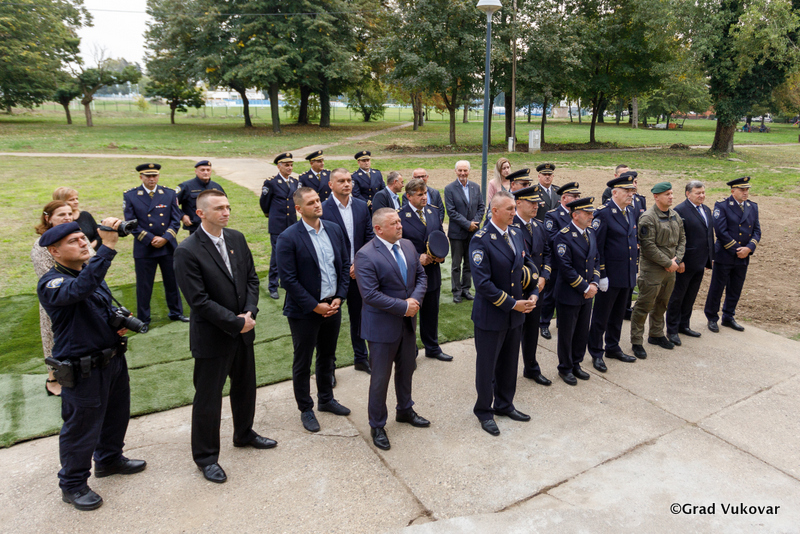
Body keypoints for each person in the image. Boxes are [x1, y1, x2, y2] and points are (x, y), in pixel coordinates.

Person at [38, 220, 146, 511]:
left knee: (116, 415)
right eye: (73, 241)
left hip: (111, 359)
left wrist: (116, 323)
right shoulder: (52, 283)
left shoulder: (87, 271)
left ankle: (109, 460)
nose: (83, 242)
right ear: (54, 251)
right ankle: (72, 485)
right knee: (81, 428)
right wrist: (108, 246)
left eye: (82, 238)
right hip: (82, 369)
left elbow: (100, 304)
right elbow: (79, 291)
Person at [174, 190, 277, 484]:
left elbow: (252, 279)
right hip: (213, 337)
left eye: (228, 207)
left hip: (243, 330)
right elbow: (198, 300)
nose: (226, 212)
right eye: (219, 208)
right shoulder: (187, 250)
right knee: (208, 399)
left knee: (245, 387)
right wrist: (235, 322)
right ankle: (206, 457)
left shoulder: (237, 238)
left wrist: (249, 312)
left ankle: (244, 433)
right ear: (200, 213)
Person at [277, 187, 352, 432]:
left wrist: (340, 296)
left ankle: (326, 399)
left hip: (332, 306)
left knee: (327, 356)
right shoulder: (288, 237)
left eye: (318, 200)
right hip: (304, 312)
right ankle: (306, 409)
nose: (317, 205)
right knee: (303, 361)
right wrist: (314, 306)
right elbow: (288, 280)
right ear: (299, 209)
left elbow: (344, 266)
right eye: (311, 203)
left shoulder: (334, 229)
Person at [355, 208, 430, 451]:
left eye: (399, 221)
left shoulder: (407, 245)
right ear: (378, 229)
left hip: (407, 324)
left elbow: (421, 276)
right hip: (381, 329)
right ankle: (377, 425)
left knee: (407, 369)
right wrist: (403, 307)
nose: (400, 226)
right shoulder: (366, 255)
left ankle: (405, 410)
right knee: (380, 378)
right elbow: (370, 294)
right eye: (394, 223)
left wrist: (414, 301)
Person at [469, 191, 538, 435]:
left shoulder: (516, 233)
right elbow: (483, 284)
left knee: (509, 364)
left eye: (514, 208)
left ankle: (505, 404)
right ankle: (484, 411)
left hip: (515, 314)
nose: (513, 213)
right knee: (487, 367)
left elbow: (528, 266)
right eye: (509, 209)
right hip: (492, 315)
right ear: (495, 211)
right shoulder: (481, 240)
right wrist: (512, 304)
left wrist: (533, 292)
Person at [32, 201, 89, 397]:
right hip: (57, 299)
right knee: (53, 339)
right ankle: (53, 379)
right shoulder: (42, 245)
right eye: (61, 214)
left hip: (84, 296)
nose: (67, 217)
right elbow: (48, 278)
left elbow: (92, 261)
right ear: (48, 218)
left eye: (69, 213)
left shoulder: (79, 236)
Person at [321, 169, 374, 377]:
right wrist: (345, 266)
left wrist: (358, 263)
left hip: (357, 273)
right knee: (330, 323)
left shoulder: (361, 206)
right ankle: (329, 368)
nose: (346, 184)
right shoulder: (323, 209)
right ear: (331, 185)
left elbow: (369, 236)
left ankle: (361, 358)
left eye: (349, 180)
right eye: (341, 181)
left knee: (359, 317)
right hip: (334, 275)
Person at [123, 163, 187, 332]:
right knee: (144, 285)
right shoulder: (131, 195)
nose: (151, 179)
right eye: (148, 176)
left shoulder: (169, 194)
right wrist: (150, 238)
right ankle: (144, 319)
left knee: (172, 281)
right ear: (141, 177)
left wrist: (165, 238)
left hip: (167, 246)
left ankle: (176, 312)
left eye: (154, 176)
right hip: (145, 247)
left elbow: (175, 219)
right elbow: (131, 223)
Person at [586, 175, 639, 372]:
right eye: (627, 191)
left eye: (632, 191)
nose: (631, 195)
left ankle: (613, 347)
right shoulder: (604, 214)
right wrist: (602, 275)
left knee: (618, 314)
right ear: (614, 193)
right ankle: (596, 352)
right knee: (601, 316)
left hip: (626, 273)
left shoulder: (630, 211)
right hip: (610, 275)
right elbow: (597, 248)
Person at [630, 182, 686, 359]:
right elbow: (648, 246)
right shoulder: (648, 218)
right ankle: (636, 341)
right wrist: (667, 262)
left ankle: (656, 334)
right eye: (667, 194)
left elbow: (682, 239)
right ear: (656, 197)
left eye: (671, 193)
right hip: (653, 270)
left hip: (671, 268)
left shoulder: (675, 215)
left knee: (662, 303)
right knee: (644, 305)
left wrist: (677, 259)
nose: (671, 197)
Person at [400, 178, 452, 362]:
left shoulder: (433, 211)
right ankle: (410, 352)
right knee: (410, 315)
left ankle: (432, 347)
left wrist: (441, 255)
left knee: (431, 312)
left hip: (432, 272)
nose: (424, 197)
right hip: (411, 275)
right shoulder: (400, 216)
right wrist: (417, 258)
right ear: (408, 196)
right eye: (420, 194)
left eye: (425, 194)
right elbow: (397, 246)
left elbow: (440, 236)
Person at [704, 176, 761, 333]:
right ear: (733, 191)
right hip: (725, 254)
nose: (745, 192)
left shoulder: (752, 207)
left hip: (744, 255)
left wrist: (748, 248)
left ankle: (728, 316)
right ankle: (712, 317)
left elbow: (757, 230)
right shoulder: (722, 206)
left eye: (747, 189)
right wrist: (738, 249)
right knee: (717, 287)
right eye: (742, 190)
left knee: (736, 287)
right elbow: (721, 231)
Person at [553, 197, 599, 386]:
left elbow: (596, 259)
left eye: (591, 213)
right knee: (567, 334)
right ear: (575, 215)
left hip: (587, 294)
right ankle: (565, 367)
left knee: (581, 332)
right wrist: (586, 287)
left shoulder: (591, 232)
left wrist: (594, 283)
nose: (591, 216)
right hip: (570, 294)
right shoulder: (563, 236)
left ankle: (576, 363)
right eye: (587, 213)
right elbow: (566, 268)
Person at [510, 185, 552, 386]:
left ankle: (531, 368)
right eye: (532, 203)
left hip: (537, 289)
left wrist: (544, 277)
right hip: (516, 290)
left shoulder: (539, 226)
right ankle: (506, 374)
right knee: (512, 334)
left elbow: (547, 253)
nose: (536, 206)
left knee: (532, 331)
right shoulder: (510, 226)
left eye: (537, 203)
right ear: (518, 203)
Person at [665, 180, 714, 345]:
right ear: (688, 194)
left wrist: (710, 258)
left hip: (700, 261)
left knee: (691, 295)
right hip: (685, 263)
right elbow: (675, 238)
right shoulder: (680, 210)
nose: (702, 196)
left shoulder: (706, 210)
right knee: (677, 296)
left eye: (703, 192)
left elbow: (709, 236)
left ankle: (683, 325)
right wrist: (680, 260)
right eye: (697, 193)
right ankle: (672, 329)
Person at [540, 182, 582, 340]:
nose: (577, 199)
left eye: (578, 196)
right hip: (557, 262)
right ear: (564, 198)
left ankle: (560, 321)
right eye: (574, 196)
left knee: (567, 293)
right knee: (550, 295)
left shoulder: (577, 214)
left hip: (572, 263)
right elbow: (551, 238)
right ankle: (544, 323)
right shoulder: (553, 215)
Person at [444, 160, 485, 303]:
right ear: (455, 171)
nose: (463, 173)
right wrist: (468, 224)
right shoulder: (449, 189)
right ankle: (456, 291)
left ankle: (466, 289)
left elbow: (481, 207)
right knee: (456, 264)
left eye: (465, 170)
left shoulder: (475, 187)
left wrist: (475, 223)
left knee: (469, 263)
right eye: (460, 170)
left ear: (469, 171)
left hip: (473, 232)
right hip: (457, 233)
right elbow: (451, 211)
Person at [260, 152, 299, 300]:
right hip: (278, 224)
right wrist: (269, 214)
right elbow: (264, 201)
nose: (290, 168)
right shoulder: (271, 182)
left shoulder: (294, 182)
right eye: (286, 165)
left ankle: (286, 281)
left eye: (291, 165)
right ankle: (272, 285)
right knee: (277, 255)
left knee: (292, 253)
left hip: (291, 223)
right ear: (279, 166)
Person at [176, 159, 226, 234]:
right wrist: (182, 216)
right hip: (196, 227)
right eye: (202, 170)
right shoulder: (186, 186)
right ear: (196, 171)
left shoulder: (216, 187)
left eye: (208, 170)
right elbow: (172, 203)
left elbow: (225, 205)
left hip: (215, 225)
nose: (206, 172)